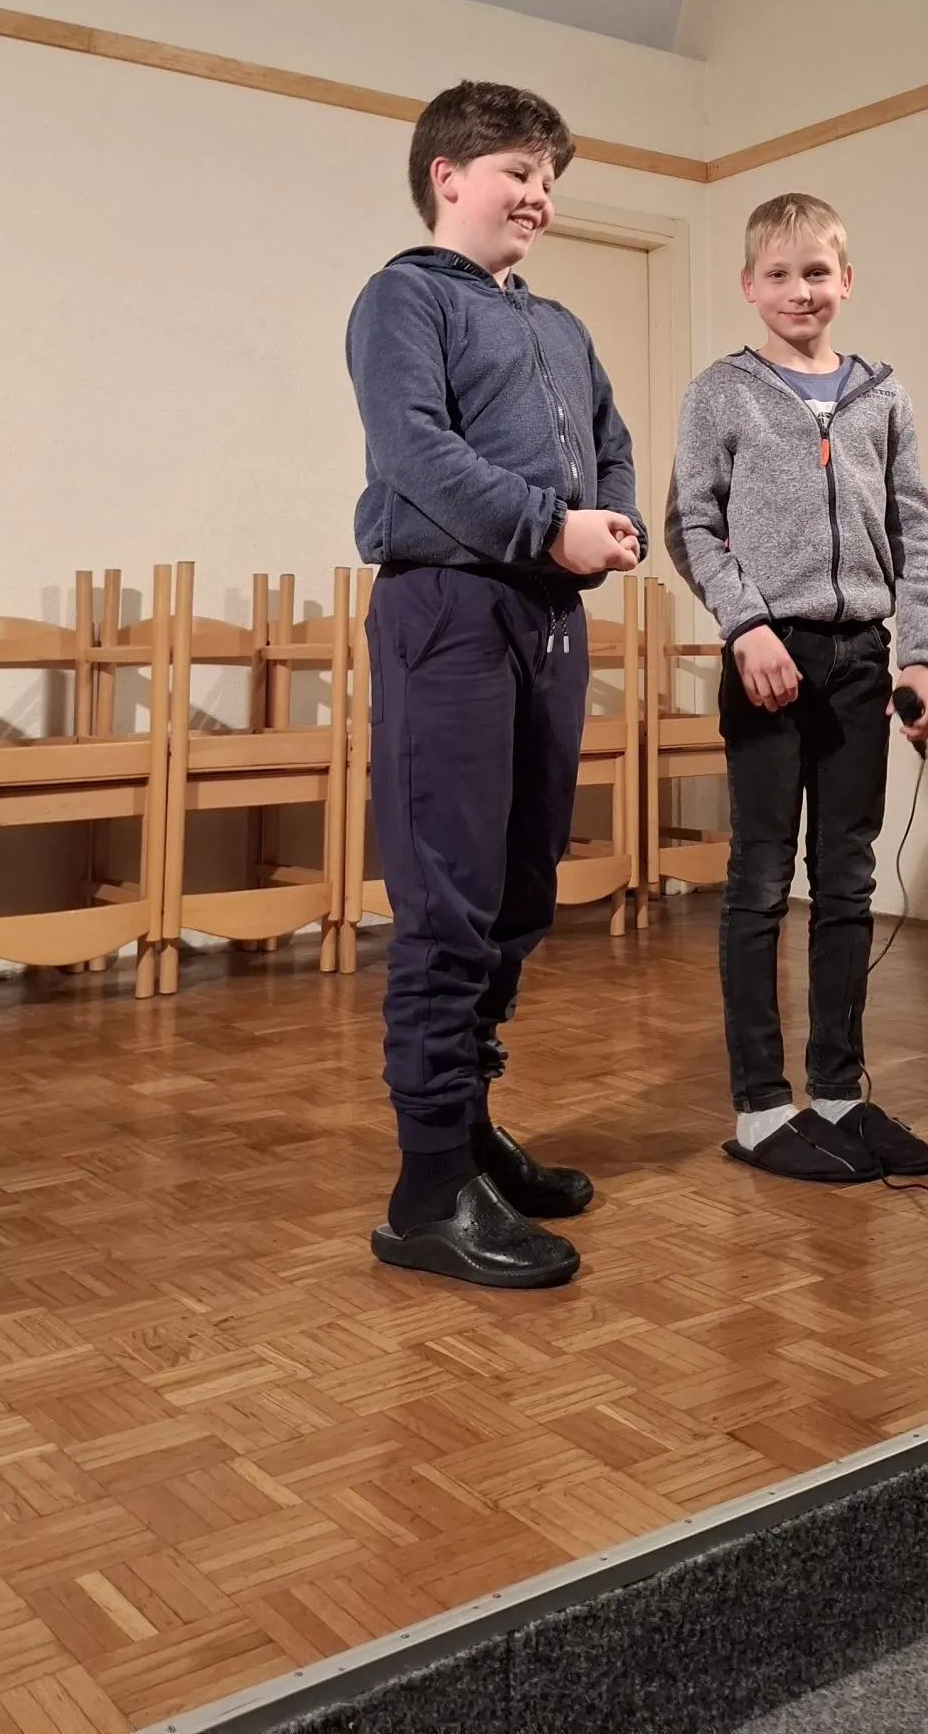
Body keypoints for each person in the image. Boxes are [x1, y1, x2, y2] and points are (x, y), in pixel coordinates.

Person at [346, 80, 644, 1286]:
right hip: (449, 610)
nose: (540, 196)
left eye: (549, 179)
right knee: (449, 899)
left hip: (546, 617)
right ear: (447, 176)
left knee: (520, 888)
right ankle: (426, 1191)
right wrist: (546, 527)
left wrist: (610, 520)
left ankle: (468, 1130)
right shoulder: (402, 298)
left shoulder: (559, 323)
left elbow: (610, 441)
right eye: (519, 170)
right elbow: (416, 452)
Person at [666, 192, 928, 1183]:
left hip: (862, 657)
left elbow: (915, 530)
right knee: (757, 881)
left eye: (817, 272)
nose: (800, 290)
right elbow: (690, 523)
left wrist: (921, 654)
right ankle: (759, 1108)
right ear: (749, 285)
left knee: (847, 878)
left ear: (846, 280)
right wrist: (745, 626)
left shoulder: (882, 396)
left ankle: (837, 1094)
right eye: (779, 274)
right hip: (768, 659)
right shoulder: (722, 394)